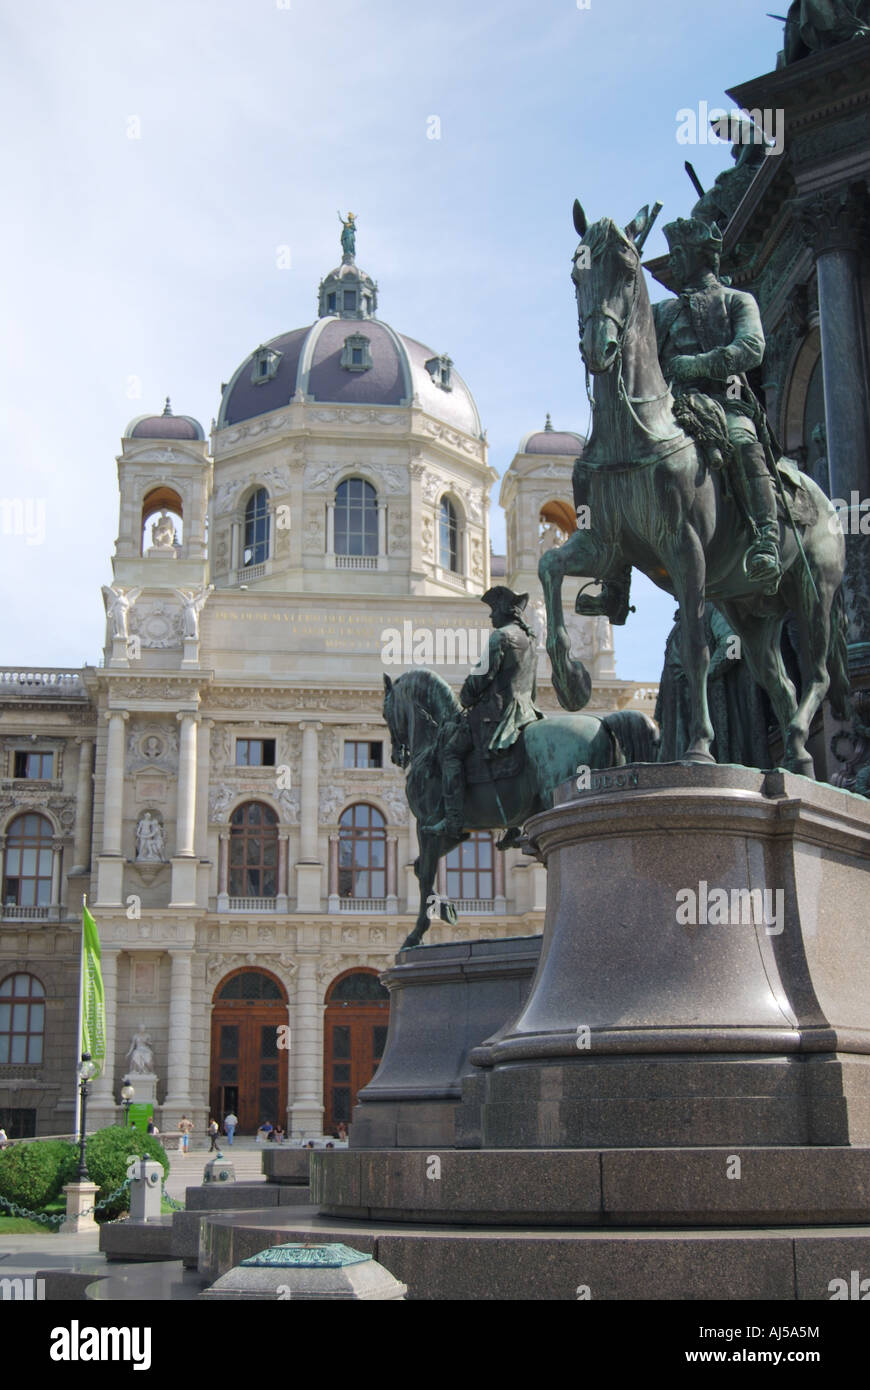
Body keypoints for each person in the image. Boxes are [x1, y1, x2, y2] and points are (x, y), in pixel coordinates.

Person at [653, 217, 782, 594]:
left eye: (679, 254)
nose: (673, 262)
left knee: (742, 441)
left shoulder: (737, 301)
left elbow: (752, 348)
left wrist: (698, 364)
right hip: (674, 407)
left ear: (701, 257)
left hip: (726, 400)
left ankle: (766, 540)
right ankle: (616, 574)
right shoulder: (664, 313)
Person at [424, 586, 542, 839]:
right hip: (527, 712)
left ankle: (453, 821)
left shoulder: (501, 637)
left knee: (450, 752)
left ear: (503, 611)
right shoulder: (530, 640)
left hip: (497, 714)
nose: (490, 618)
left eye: (493, 611)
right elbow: (531, 688)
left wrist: (466, 696)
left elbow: (481, 677)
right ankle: (513, 823)